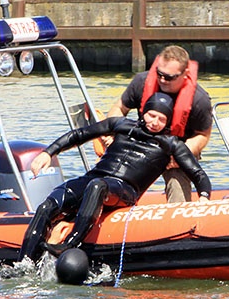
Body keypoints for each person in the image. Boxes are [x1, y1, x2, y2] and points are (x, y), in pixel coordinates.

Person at [19, 93, 211, 261]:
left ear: (168, 121)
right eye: (152, 115)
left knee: (97, 186)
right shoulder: (120, 124)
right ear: (143, 111)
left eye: (161, 119)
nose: (154, 122)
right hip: (94, 178)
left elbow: (198, 174)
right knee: (47, 206)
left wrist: (204, 197)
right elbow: (79, 135)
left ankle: (69, 244)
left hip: (124, 189)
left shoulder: (172, 144)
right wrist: (48, 152)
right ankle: (24, 262)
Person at [106, 45, 212, 203]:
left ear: (184, 74)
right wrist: (114, 134)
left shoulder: (199, 100)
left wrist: (180, 155)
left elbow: (203, 135)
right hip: (140, 143)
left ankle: (177, 218)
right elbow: (119, 108)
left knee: (178, 180)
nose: (162, 80)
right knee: (111, 175)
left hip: (176, 150)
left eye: (169, 77)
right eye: (159, 74)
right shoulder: (141, 82)